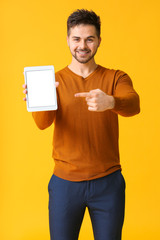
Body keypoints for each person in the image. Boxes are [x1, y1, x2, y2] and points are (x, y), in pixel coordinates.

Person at [23, 9, 140, 240]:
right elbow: (42, 124)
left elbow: (134, 104)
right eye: (76, 39)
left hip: (108, 183)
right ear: (68, 40)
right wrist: (37, 102)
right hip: (65, 185)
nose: (82, 45)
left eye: (89, 39)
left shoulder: (116, 78)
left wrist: (110, 101)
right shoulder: (52, 81)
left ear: (98, 41)